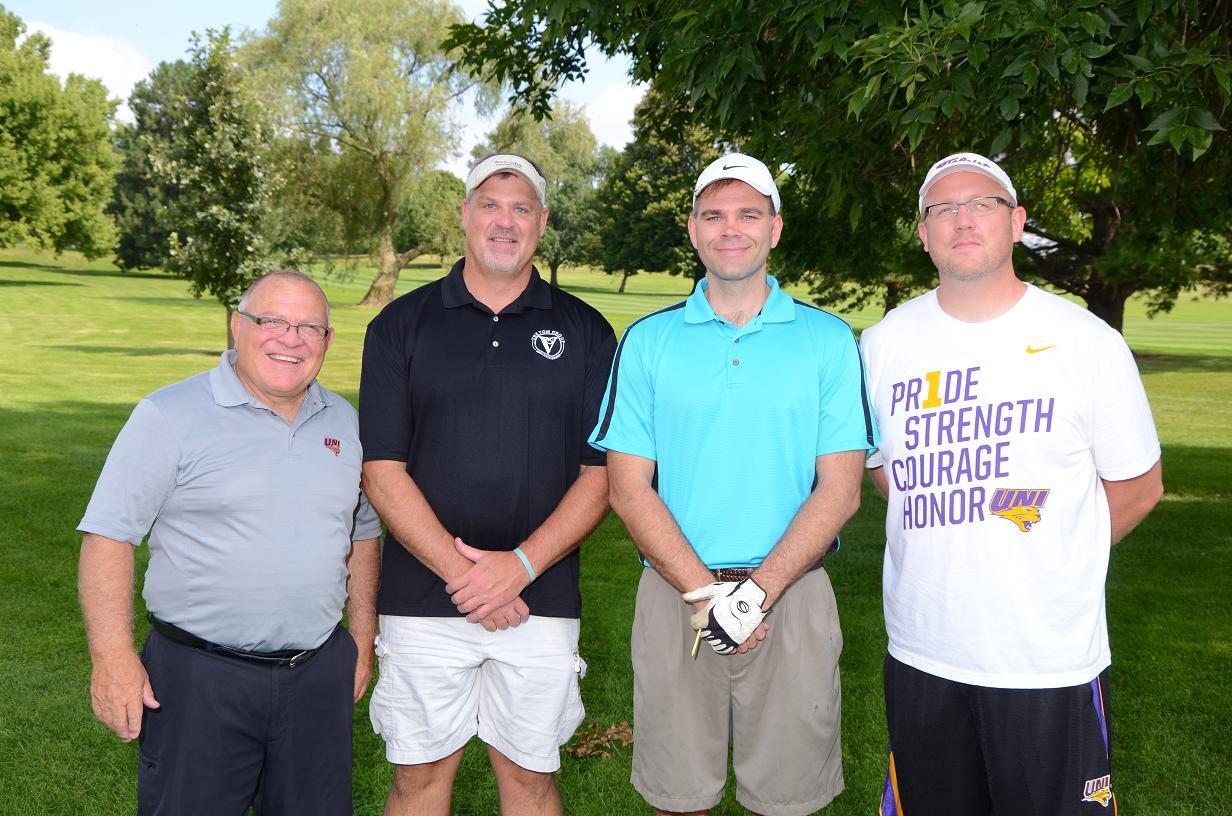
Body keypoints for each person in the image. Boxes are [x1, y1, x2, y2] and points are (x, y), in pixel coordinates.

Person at [861, 152, 1164, 816]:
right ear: (923, 233)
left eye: (983, 204)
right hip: (922, 654)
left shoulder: (1085, 341)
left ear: (1018, 222)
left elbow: (1139, 487)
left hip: (1045, 660)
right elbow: (889, 473)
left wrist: (1057, 548)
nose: (962, 219)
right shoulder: (882, 346)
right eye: (942, 208)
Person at [589, 153, 877, 816]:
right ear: (692, 230)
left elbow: (841, 489)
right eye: (713, 215)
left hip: (794, 596)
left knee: (789, 803)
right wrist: (702, 592)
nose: (730, 229)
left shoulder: (828, 340)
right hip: (673, 595)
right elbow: (627, 487)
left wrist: (751, 597)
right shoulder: (649, 341)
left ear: (775, 228)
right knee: (676, 801)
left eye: (748, 214)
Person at [358, 152, 617, 816]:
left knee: (529, 782)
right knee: (419, 781)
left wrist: (519, 569)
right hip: (421, 597)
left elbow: (602, 473)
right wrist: (466, 574)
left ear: (543, 222)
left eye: (522, 207)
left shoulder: (586, 331)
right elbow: (381, 469)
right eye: (491, 205)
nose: (506, 221)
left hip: (541, 598)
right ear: (466, 215)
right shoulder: (400, 325)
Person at [78, 269, 382, 815]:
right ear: (237, 327)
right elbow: (109, 536)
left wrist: (360, 637)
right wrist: (112, 655)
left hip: (315, 675)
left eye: (310, 327)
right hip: (199, 681)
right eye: (273, 321)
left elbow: (362, 532)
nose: (291, 339)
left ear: (328, 342)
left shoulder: (346, 421)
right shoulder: (169, 415)